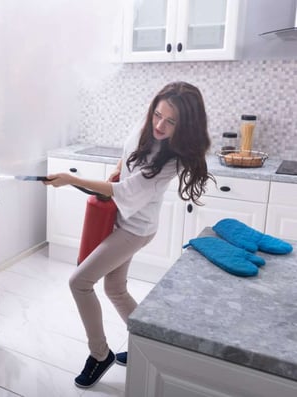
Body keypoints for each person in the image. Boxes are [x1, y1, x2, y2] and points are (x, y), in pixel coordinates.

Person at [44, 81, 212, 388]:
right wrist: (121, 166)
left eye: (170, 121)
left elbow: (126, 193)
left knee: (79, 282)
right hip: (124, 220)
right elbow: (130, 149)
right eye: (157, 115)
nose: (160, 125)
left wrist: (71, 179)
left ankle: (99, 355)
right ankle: (148, 346)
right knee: (116, 289)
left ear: (184, 125)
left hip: (135, 229)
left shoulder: (170, 161)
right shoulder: (148, 123)